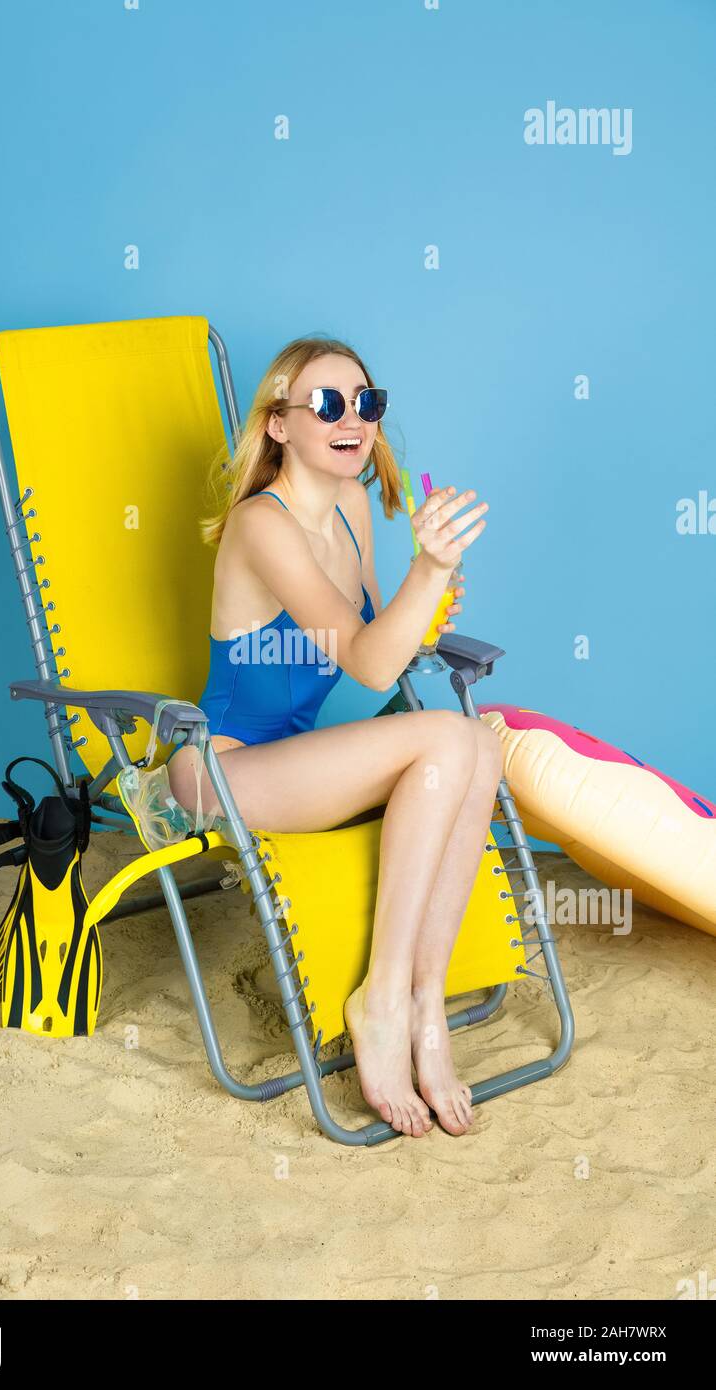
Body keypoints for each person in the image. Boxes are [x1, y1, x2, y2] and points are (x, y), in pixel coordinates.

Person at [168, 334, 501, 1138]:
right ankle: (379, 999)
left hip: (302, 757)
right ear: (279, 424)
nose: (350, 417)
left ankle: (425, 1001)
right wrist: (432, 570)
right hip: (227, 769)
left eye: (365, 402)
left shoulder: (353, 507)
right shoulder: (261, 526)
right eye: (325, 403)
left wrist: (426, 593)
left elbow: (379, 647)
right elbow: (365, 660)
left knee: (481, 741)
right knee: (452, 739)